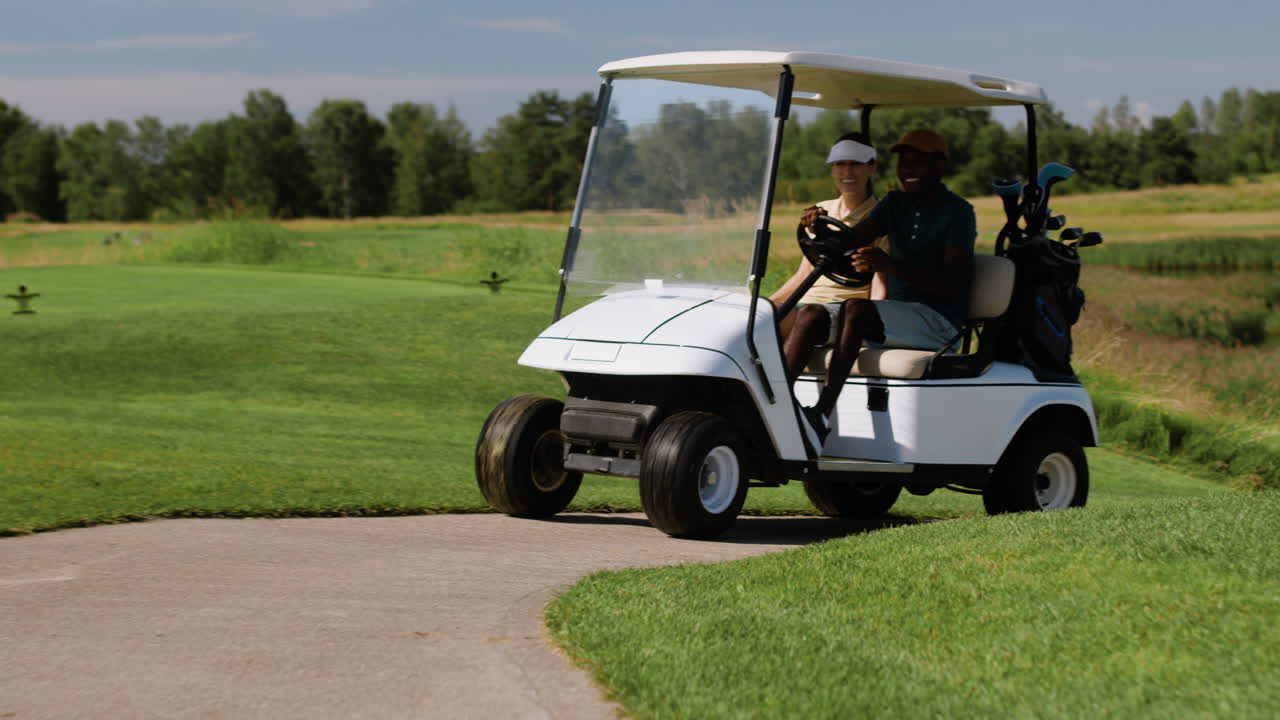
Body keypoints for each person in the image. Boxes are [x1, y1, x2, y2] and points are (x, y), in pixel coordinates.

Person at [792, 128, 976, 445]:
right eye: (903, 163)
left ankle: (821, 413)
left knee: (856, 309)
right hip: (894, 317)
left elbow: (951, 283)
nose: (907, 171)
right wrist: (817, 225)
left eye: (917, 162)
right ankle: (776, 406)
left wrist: (890, 266)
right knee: (810, 314)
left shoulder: (957, 212)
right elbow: (849, 240)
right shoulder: (894, 204)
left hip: (937, 322)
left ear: (938, 165)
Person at [769, 132, 888, 374]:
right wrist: (767, 303)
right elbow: (803, 275)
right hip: (805, 302)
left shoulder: (881, 218)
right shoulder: (821, 213)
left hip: (836, 310)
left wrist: (871, 322)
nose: (847, 172)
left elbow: (880, 285)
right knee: (751, 318)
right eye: (840, 164)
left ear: (872, 167)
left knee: (773, 325)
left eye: (855, 164)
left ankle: (773, 395)